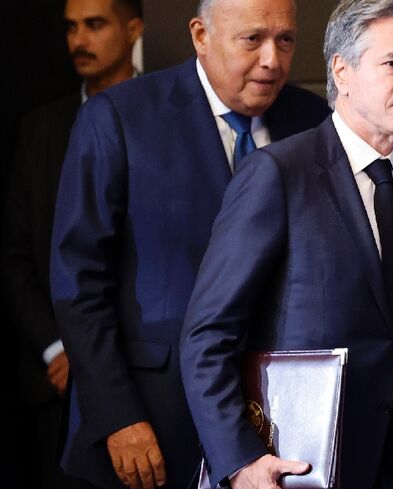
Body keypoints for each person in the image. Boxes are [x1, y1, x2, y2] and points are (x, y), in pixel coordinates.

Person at [49, 0, 331, 486]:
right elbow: (78, 286)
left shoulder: (312, 120)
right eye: (253, 39)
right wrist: (117, 416)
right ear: (201, 36)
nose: (272, 58)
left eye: (285, 40)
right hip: (151, 421)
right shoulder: (118, 117)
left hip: (278, 423)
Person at [179, 1, 393, 488]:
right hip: (304, 465)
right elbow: (207, 336)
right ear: (342, 71)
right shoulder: (278, 174)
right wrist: (240, 459)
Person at [0, 0, 143, 487]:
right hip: (57, 384)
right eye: (71, 28)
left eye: (95, 25)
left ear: (133, 29)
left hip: (153, 376)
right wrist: (59, 347)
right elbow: (17, 257)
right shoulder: (40, 128)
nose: (79, 40)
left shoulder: (169, 113)